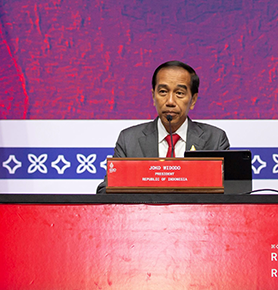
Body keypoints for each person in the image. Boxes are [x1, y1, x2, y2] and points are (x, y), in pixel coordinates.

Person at [96, 60, 230, 193]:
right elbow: (105, 191)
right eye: (163, 92)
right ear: (153, 96)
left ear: (193, 100)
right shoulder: (130, 140)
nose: (170, 101)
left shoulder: (215, 139)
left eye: (179, 93)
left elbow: (232, 194)